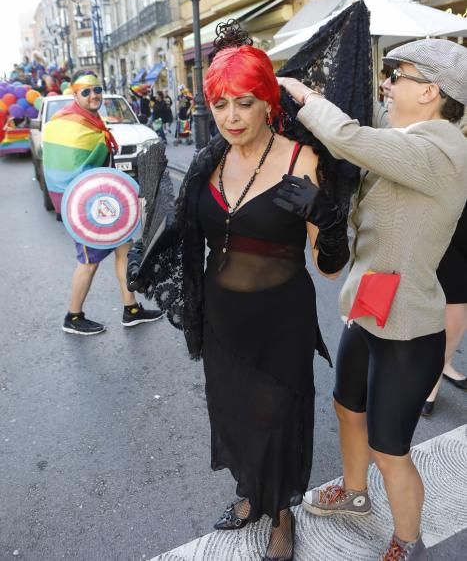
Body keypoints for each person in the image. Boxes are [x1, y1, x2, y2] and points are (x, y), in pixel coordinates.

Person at [129, 34, 351, 561]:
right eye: (219, 103)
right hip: (223, 318)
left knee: (277, 419)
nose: (231, 116)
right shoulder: (210, 161)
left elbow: (329, 267)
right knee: (234, 412)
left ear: (268, 102)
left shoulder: (302, 160)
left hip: (280, 321)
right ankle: (250, 496)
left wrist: (328, 219)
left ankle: (280, 515)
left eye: (244, 102)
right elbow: (184, 230)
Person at [278, 38, 467, 561]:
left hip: (408, 325)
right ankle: (355, 495)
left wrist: (301, 95)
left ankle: (408, 540)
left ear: (430, 90)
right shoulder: (408, 136)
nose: (387, 83)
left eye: (397, 75)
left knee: (391, 449)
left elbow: (350, 138)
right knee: (347, 409)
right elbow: (367, 137)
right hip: (369, 303)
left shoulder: (442, 151)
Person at [42, 69, 162, 336]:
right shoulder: (67, 123)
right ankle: (73, 316)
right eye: (86, 91)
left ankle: (131, 310)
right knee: (89, 262)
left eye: (97, 90)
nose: (93, 95)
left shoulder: (93, 120)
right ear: (75, 94)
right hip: (87, 208)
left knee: (124, 250)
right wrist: (77, 203)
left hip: (105, 201)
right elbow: (61, 171)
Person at [422, 197, 467, 415]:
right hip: (453, 203)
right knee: (455, 297)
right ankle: (433, 375)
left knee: (460, 297)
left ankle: (444, 362)